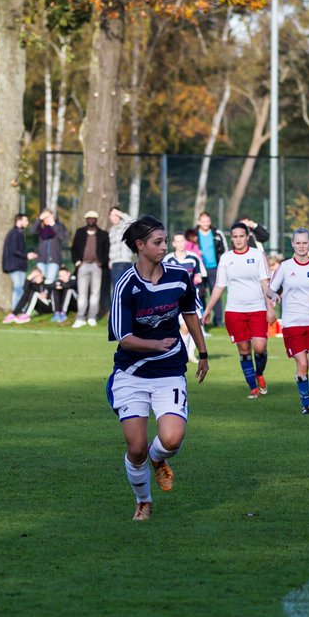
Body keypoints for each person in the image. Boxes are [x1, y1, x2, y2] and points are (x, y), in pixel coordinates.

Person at [107, 215, 208, 521]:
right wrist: (155, 345)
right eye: (158, 242)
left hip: (169, 372)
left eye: (165, 240)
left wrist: (203, 353)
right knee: (135, 447)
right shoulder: (126, 285)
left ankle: (157, 458)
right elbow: (123, 339)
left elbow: (190, 312)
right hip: (132, 374)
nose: (165, 246)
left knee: (172, 440)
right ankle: (143, 500)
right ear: (140, 246)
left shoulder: (179, 277)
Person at [202, 222, 275, 398]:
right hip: (234, 311)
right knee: (243, 349)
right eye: (235, 236)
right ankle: (253, 387)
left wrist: (270, 308)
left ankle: (259, 374)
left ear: (247, 237)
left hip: (257, 309)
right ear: (231, 238)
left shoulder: (258, 255)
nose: (238, 239)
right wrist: (208, 310)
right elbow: (219, 286)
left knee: (259, 347)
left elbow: (265, 283)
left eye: (241, 236)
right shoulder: (226, 258)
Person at [269, 228, 309, 414]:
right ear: (292, 244)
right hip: (292, 322)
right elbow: (270, 289)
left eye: (305, 243)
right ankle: (306, 405)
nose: (301, 246)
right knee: (302, 364)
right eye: (298, 243)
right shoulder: (285, 267)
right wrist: (274, 297)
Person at [71, 210, 109, 328]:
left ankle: (92, 316)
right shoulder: (80, 232)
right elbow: (74, 249)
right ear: (86, 219)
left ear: (96, 220)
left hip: (96, 266)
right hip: (83, 265)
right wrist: (77, 262)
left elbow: (106, 251)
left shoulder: (103, 234)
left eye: (93, 218)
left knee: (95, 293)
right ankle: (80, 317)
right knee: (82, 293)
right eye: (89, 218)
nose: (91, 220)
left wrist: (101, 262)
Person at [194, 211, 228, 325]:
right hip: (199, 270)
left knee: (216, 294)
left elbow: (224, 250)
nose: (205, 223)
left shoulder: (217, 233)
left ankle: (218, 321)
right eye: (203, 221)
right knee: (200, 294)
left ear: (210, 222)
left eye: (207, 221)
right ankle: (202, 320)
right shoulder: (193, 234)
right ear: (199, 222)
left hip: (215, 268)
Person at [2, 213, 32, 309]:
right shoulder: (14, 233)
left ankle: (19, 309)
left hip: (18, 265)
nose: (27, 222)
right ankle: (17, 310)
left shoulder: (19, 233)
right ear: (19, 221)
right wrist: (26, 255)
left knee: (20, 288)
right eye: (26, 220)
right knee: (18, 288)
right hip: (15, 265)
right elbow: (14, 249)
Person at [30, 208, 67, 282]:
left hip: (54, 259)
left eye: (48, 217)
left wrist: (53, 224)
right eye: (45, 218)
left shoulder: (59, 226)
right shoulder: (41, 228)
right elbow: (32, 231)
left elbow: (62, 237)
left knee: (49, 282)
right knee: (41, 281)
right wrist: (39, 219)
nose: (46, 219)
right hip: (41, 259)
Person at [107, 206, 134, 287]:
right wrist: (110, 260)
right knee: (116, 288)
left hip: (124, 262)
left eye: (116, 215)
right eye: (112, 215)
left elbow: (134, 222)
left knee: (121, 288)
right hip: (114, 264)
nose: (114, 218)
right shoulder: (111, 230)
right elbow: (111, 247)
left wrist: (121, 214)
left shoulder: (125, 226)